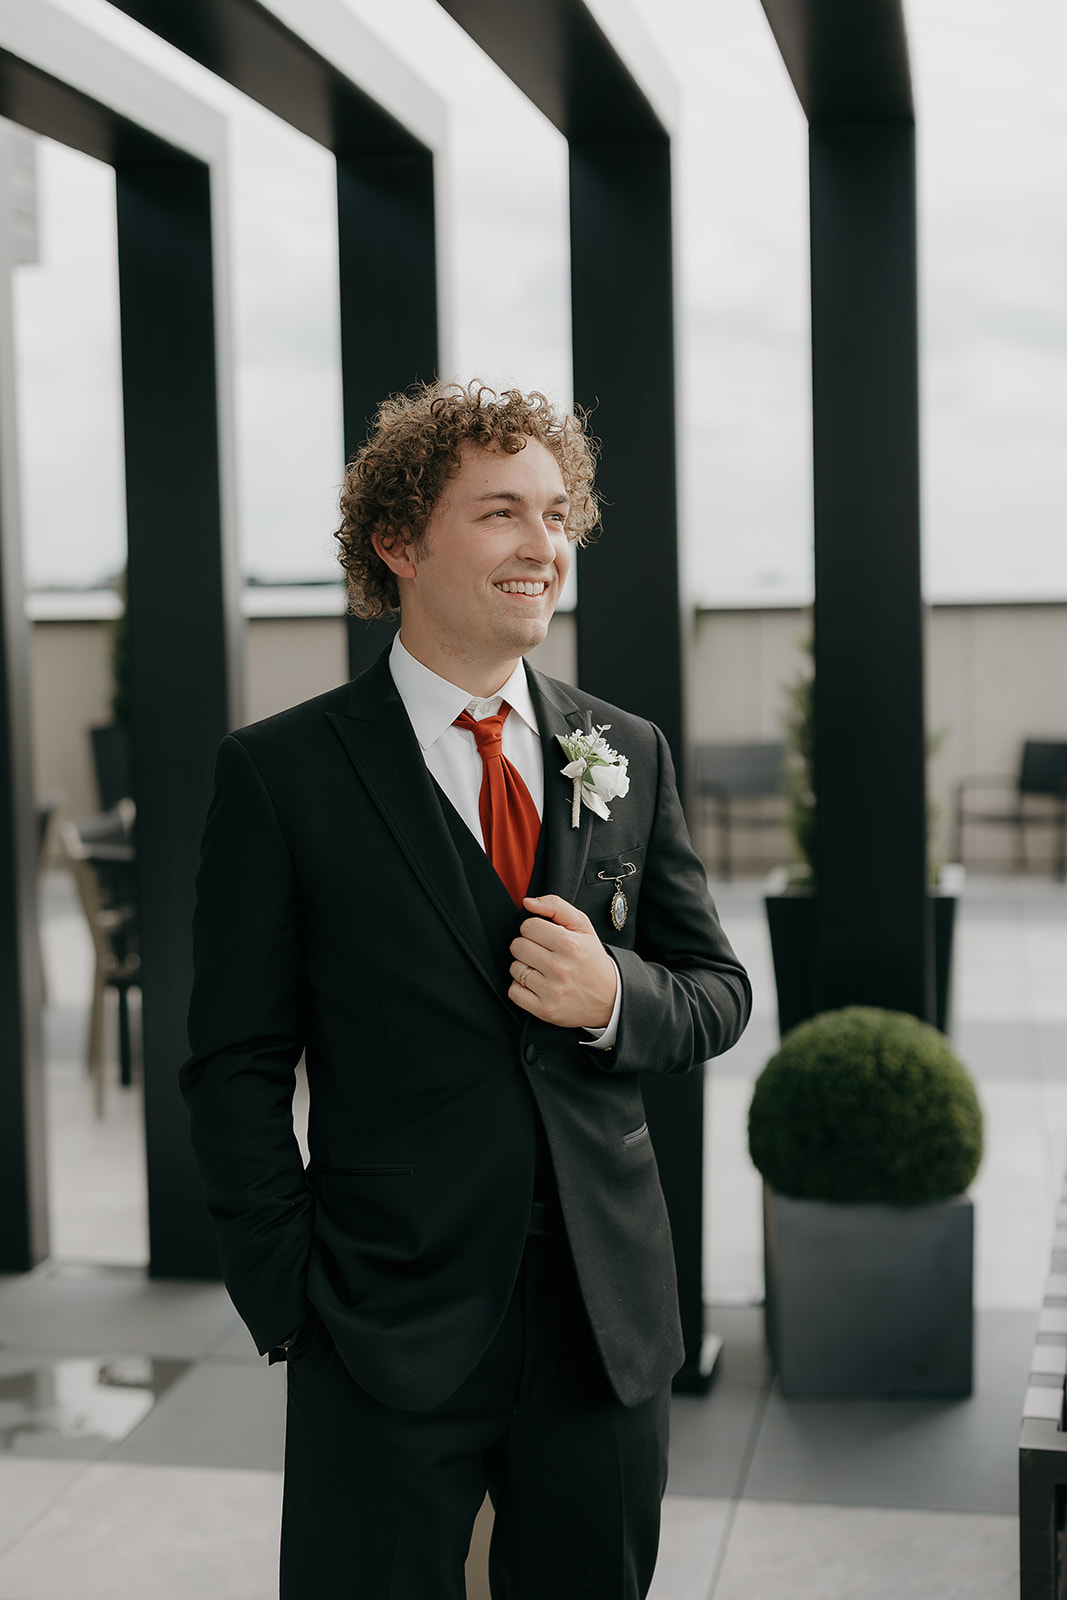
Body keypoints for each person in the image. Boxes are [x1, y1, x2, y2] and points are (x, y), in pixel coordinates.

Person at [180, 381, 751, 1600]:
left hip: (604, 1322)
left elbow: (715, 988)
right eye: (500, 513)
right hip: (380, 1320)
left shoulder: (624, 750)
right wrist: (291, 1298)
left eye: (555, 514)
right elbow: (232, 1064)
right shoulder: (282, 774)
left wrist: (611, 996)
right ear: (397, 541)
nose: (541, 546)